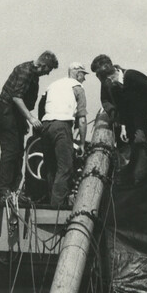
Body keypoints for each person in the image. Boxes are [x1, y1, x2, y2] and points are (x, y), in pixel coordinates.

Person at [0, 51, 58, 195]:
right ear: (42, 65)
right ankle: (4, 190)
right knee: (10, 150)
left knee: (18, 152)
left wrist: (23, 121)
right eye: (48, 70)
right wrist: (31, 118)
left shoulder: (34, 76)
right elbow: (16, 97)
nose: (48, 74)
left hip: (15, 115)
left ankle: (13, 189)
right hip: (6, 111)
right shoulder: (26, 71)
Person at [34, 64, 89, 206]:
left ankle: (50, 204)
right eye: (83, 74)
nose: (84, 78)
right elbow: (82, 119)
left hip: (46, 126)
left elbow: (41, 106)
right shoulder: (78, 88)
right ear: (77, 74)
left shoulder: (53, 85)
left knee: (51, 167)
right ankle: (57, 208)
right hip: (62, 126)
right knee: (65, 168)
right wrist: (82, 143)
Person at [91, 55, 147, 143]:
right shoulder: (113, 86)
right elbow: (121, 106)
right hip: (139, 110)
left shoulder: (132, 75)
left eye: (109, 79)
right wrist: (123, 127)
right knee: (139, 141)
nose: (108, 83)